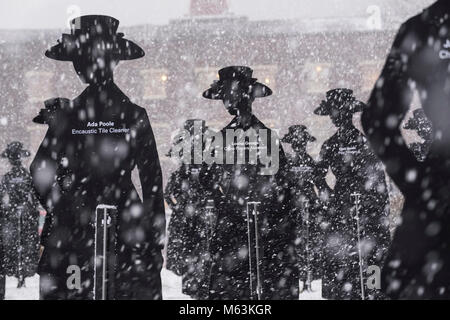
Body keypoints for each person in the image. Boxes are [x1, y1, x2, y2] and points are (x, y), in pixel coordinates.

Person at [30, 15, 165, 300]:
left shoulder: (70, 114)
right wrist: (153, 236)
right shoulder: (134, 115)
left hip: (77, 228)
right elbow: (152, 179)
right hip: (125, 222)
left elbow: (40, 169)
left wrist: (62, 204)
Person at [362, 0, 450, 299]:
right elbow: (376, 119)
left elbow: (377, 118)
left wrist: (422, 187)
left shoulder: (422, 28)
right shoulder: (422, 28)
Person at [200, 66, 299, 300]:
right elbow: (207, 181)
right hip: (238, 230)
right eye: (223, 96)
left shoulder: (262, 137)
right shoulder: (225, 138)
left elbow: (283, 188)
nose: (225, 102)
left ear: (245, 95)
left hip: (263, 231)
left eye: (228, 96)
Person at [315, 89, 390, 300]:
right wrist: (329, 196)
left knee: (371, 257)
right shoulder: (330, 145)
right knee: (342, 258)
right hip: (342, 209)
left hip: (365, 207)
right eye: (331, 112)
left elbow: (377, 178)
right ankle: (347, 292)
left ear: (347, 112)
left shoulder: (364, 143)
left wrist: (376, 207)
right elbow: (318, 176)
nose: (332, 116)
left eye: (335, 111)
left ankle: (371, 291)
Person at [165, 119, 218, 300]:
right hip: (193, 221)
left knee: (198, 256)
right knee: (194, 256)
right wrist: (179, 207)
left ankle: (198, 290)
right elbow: (168, 194)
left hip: (197, 220)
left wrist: (180, 207)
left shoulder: (202, 167)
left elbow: (215, 191)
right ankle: (195, 290)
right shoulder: (186, 169)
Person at [281, 125, 324, 292]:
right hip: (293, 205)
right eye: (296, 144)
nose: (299, 146)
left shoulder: (309, 161)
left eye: (302, 143)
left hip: (310, 204)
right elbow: (284, 184)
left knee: (310, 241)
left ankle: (309, 276)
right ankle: (301, 276)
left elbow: (317, 181)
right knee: (297, 242)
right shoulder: (288, 162)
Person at [0, 142, 40, 289]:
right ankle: (20, 273)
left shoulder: (9, 177)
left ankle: (19, 273)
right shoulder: (26, 176)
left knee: (17, 246)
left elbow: (3, 200)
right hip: (21, 218)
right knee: (21, 246)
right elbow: (34, 199)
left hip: (17, 218)